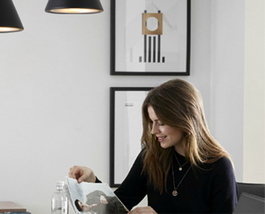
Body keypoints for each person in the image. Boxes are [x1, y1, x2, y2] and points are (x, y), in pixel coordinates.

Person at [69, 79, 237, 214]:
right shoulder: (151, 156)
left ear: (185, 119)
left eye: (161, 122)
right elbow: (119, 205)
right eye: (151, 122)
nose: (154, 130)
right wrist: (92, 181)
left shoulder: (218, 166)